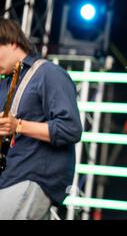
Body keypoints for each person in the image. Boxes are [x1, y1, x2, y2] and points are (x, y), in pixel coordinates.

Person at [0, 18, 82, 220]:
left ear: (11, 42)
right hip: (11, 178)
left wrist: (18, 125)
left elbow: (71, 128)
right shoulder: (5, 83)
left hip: (33, 176)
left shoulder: (48, 73)